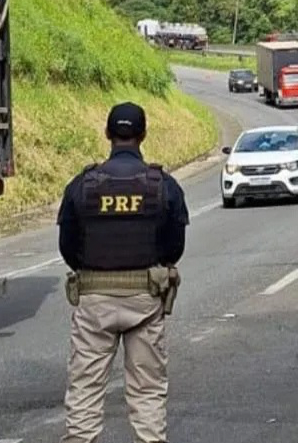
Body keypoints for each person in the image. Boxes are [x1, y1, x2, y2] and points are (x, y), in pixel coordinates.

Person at [57, 102, 190, 443]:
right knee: (147, 391)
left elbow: (68, 247)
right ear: (143, 135)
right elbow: (174, 247)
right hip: (146, 297)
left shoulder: (83, 185)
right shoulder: (163, 185)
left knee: (85, 390)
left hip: (94, 302)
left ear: (107, 133)